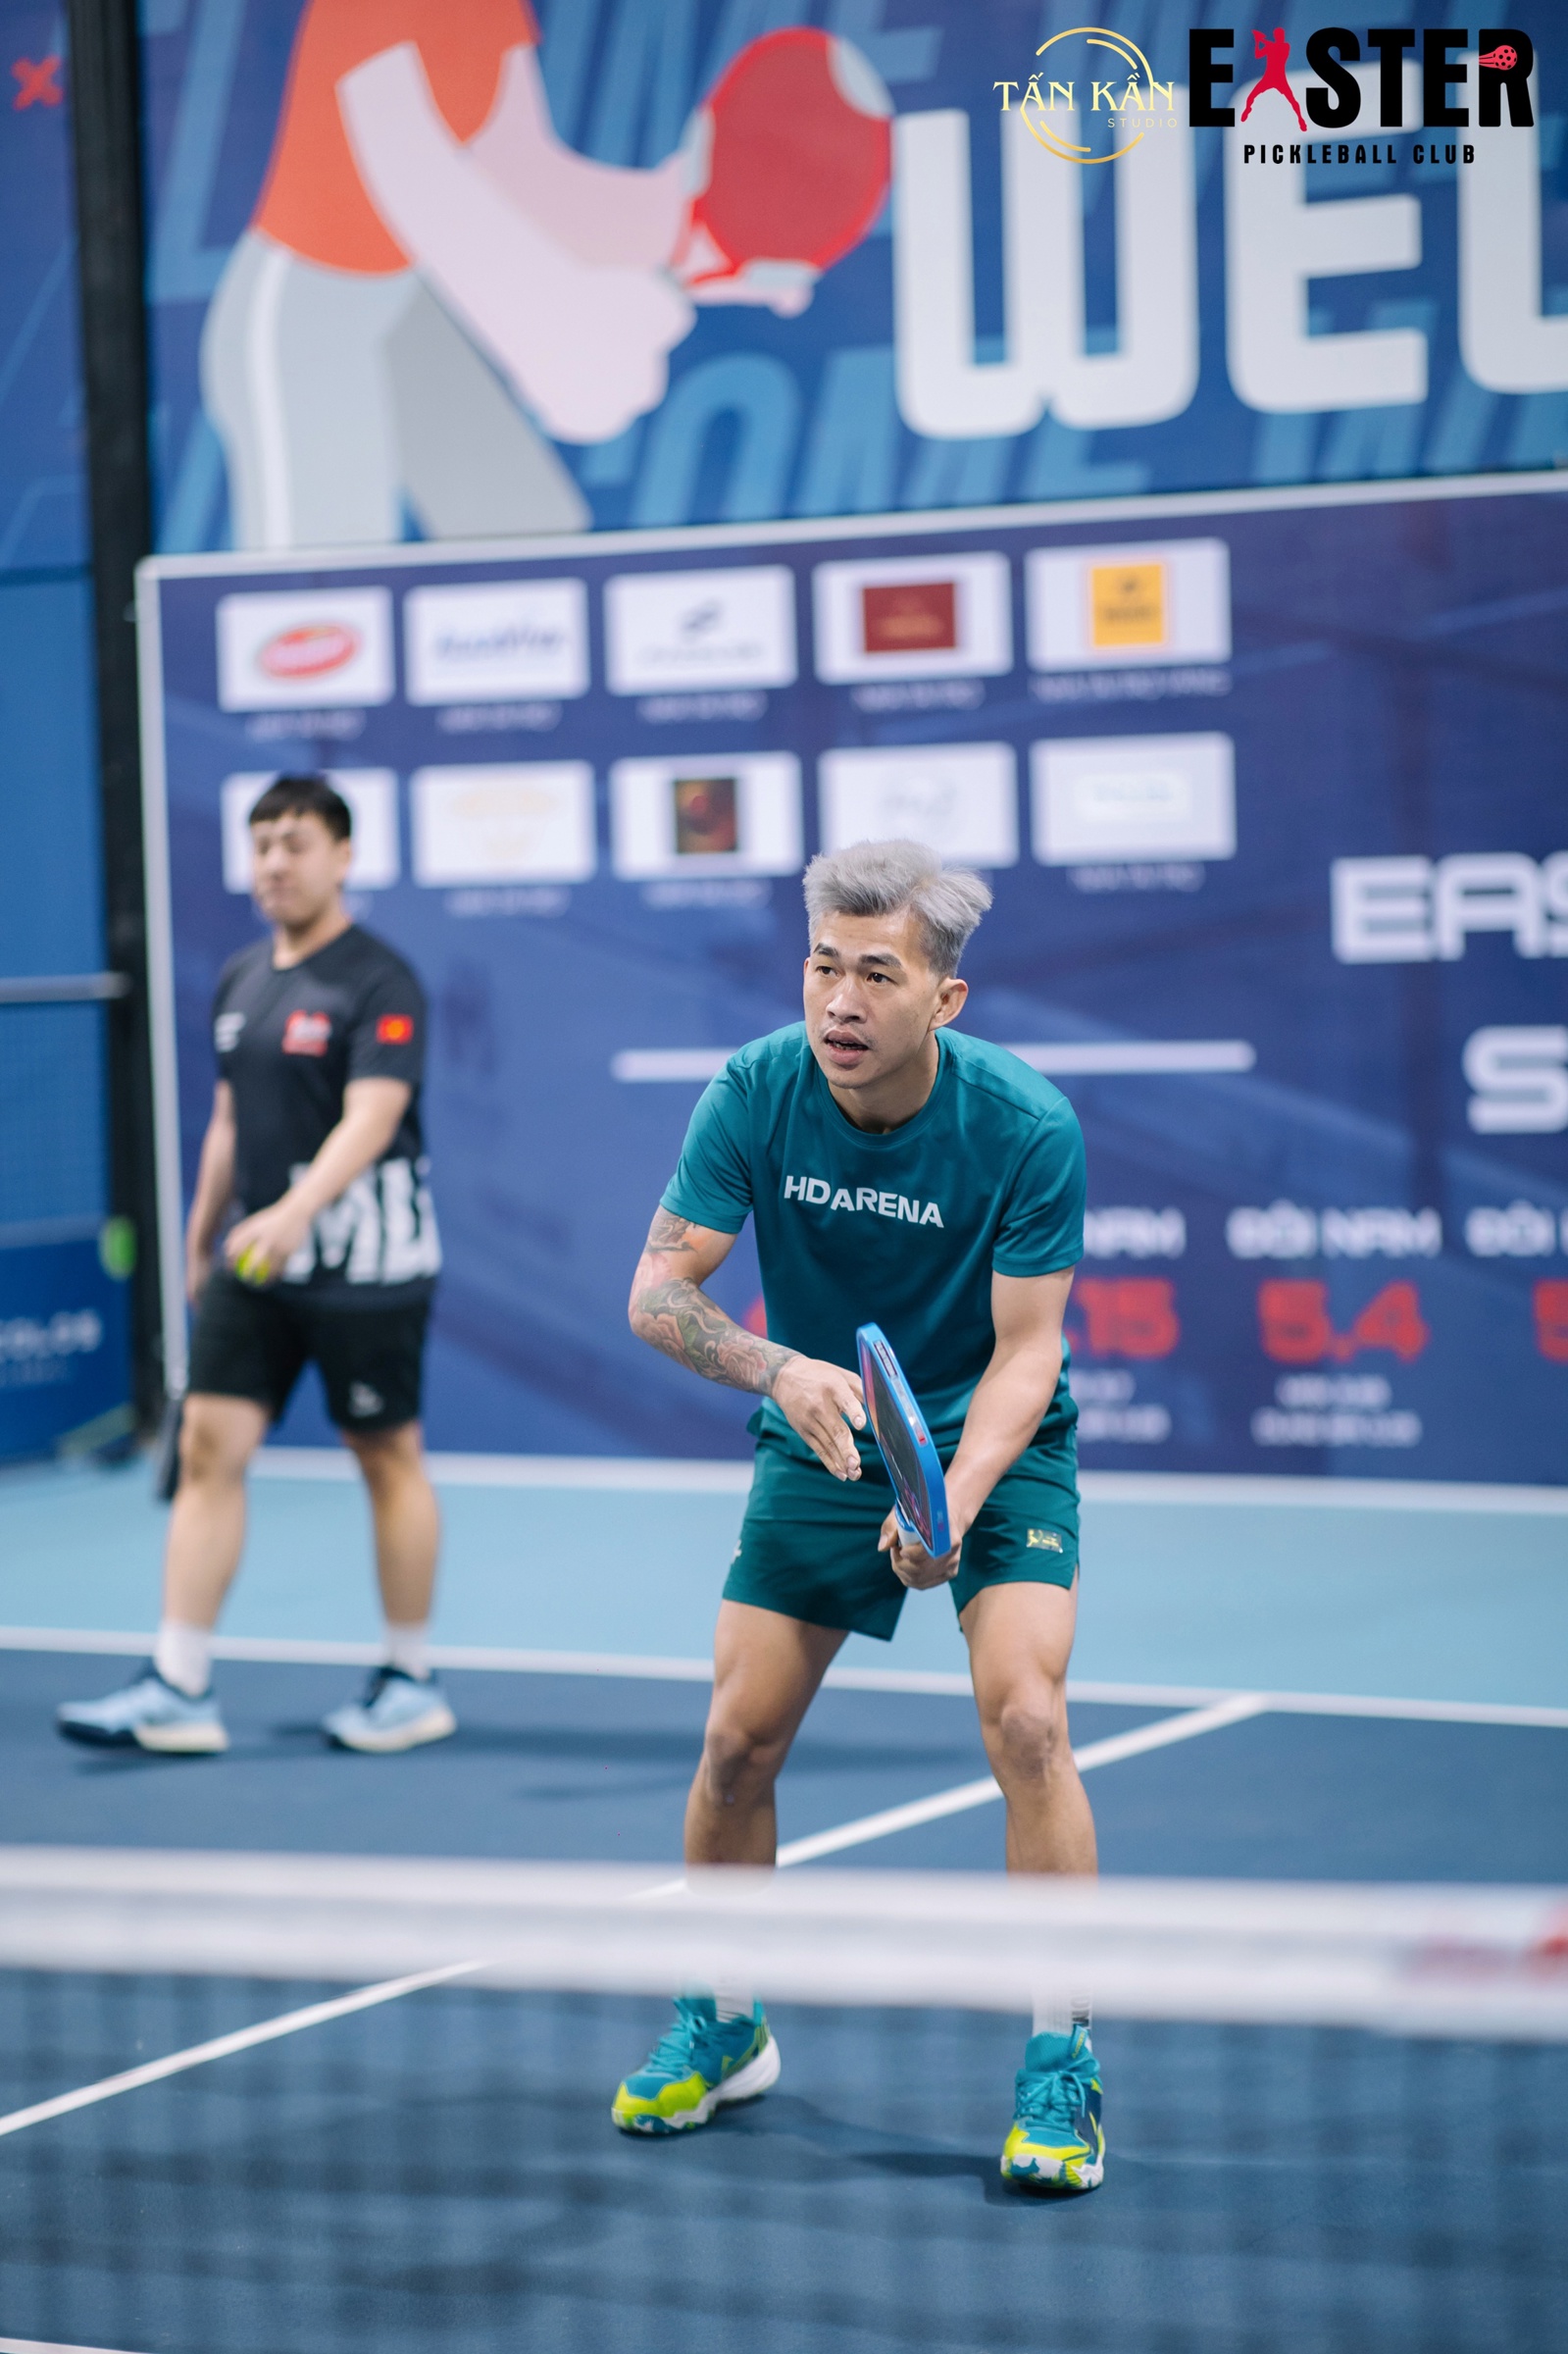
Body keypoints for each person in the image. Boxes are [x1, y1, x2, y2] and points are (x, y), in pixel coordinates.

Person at [611, 840, 1103, 2192]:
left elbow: (1028, 1356)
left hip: (989, 1440)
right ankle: (726, 2019)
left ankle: (1058, 2057)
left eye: (877, 975)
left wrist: (953, 1500)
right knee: (735, 1743)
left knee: (1027, 1719)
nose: (839, 999)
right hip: (823, 1424)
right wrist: (776, 1368)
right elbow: (657, 1295)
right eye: (823, 965)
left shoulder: (1025, 1126)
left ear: (944, 998)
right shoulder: (756, 1090)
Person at [59, 775, 451, 1759]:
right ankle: (179, 1685)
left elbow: (373, 1117)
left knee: (385, 1455)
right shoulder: (240, 977)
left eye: (295, 842)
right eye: (262, 843)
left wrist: (296, 1211)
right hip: (255, 1256)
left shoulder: (380, 981)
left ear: (342, 856)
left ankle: (410, 1680)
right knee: (207, 1449)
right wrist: (202, 1237)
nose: (275, 862)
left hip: (367, 1259)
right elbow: (231, 1119)